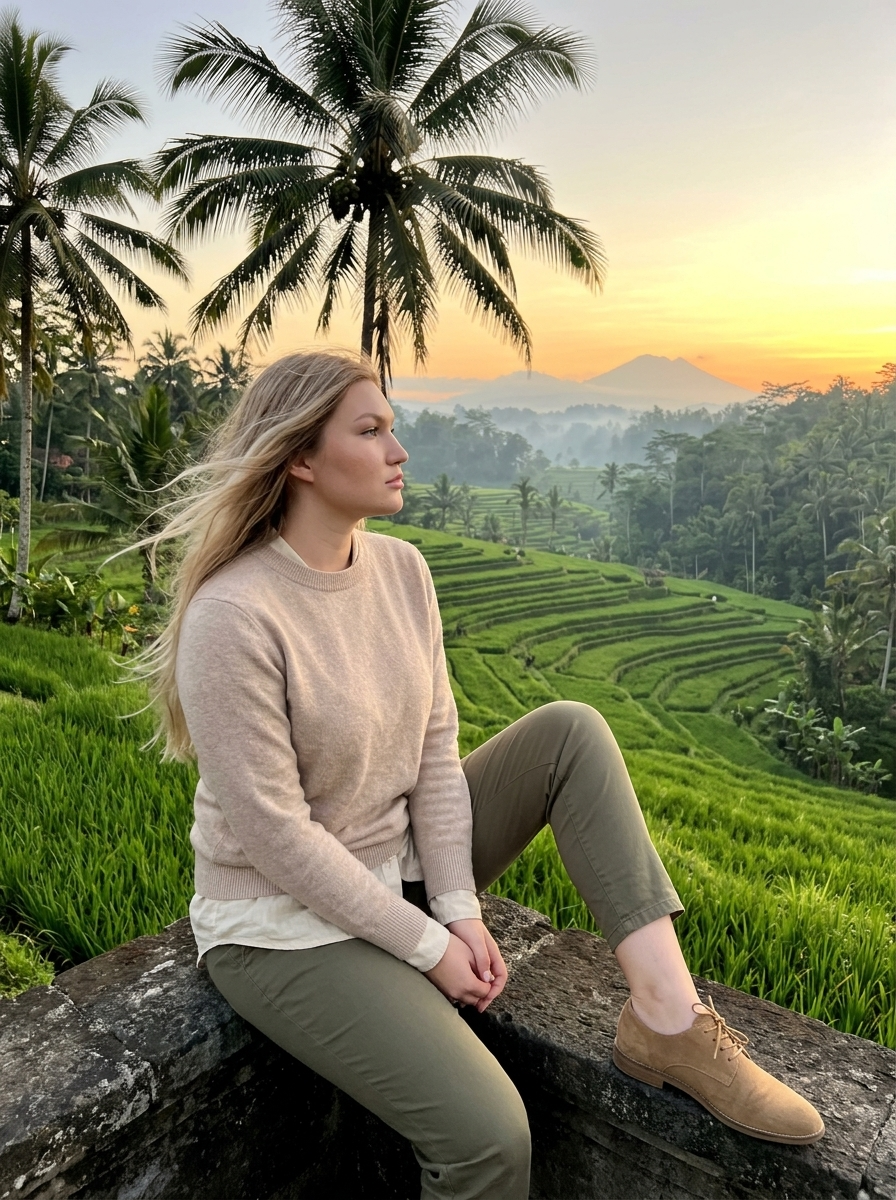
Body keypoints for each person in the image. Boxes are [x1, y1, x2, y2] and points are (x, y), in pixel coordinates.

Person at [124, 349, 823, 1200]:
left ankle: (668, 1020)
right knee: (488, 1138)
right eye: (371, 430)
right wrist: (429, 948)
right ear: (301, 458)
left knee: (571, 731)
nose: (399, 450)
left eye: (394, 427)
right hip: (283, 923)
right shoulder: (234, 614)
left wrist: (456, 904)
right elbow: (277, 836)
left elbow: (434, 755)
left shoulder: (403, 572)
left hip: (399, 869)